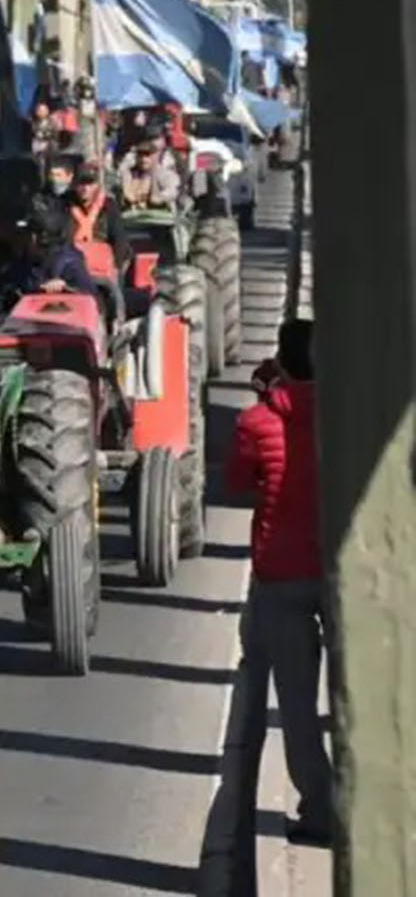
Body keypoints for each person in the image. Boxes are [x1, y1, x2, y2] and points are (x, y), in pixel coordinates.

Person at [227, 320, 331, 844]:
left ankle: (320, 810)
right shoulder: (344, 418)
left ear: (282, 364)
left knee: (297, 704)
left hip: (281, 574)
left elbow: (236, 482)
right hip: (339, 571)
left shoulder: (257, 421)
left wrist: (266, 396)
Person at [0, 203, 98, 312]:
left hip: (60, 316)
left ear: (42, 239)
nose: (22, 236)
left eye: (29, 233)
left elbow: (91, 300)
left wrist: (66, 287)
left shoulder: (70, 262)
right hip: (25, 316)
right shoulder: (25, 258)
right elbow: (9, 284)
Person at [67, 163, 129, 271]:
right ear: (74, 185)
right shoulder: (64, 204)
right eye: (81, 183)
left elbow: (119, 238)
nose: (85, 188)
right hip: (72, 262)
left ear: (97, 185)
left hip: (101, 262)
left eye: (90, 183)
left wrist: (116, 267)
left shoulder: (109, 205)